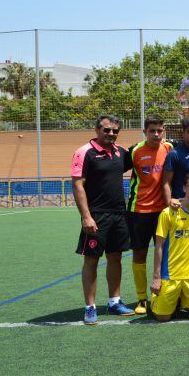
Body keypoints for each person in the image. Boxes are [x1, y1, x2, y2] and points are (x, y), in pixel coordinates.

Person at [72, 114, 136, 324]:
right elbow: (77, 184)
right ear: (97, 129)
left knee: (115, 257)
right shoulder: (84, 152)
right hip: (96, 216)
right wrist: (86, 216)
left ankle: (114, 302)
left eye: (115, 131)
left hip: (119, 214)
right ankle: (90, 308)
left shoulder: (120, 153)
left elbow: (145, 150)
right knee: (91, 260)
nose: (111, 134)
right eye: (106, 130)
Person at [126, 115, 174, 315]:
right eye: (152, 130)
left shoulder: (169, 148)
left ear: (164, 132)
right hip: (138, 211)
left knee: (165, 254)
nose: (156, 134)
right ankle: (142, 299)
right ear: (144, 132)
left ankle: (160, 294)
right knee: (140, 254)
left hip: (163, 211)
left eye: (160, 130)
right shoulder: (135, 151)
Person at [150, 172, 189, 322]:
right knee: (162, 317)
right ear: (184, 188)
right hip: (170, 275)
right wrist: (156, 278)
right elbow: (158, 246)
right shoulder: (168, 213)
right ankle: (160, 298)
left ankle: (182, 298)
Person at [163, 116, 189, 204]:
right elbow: (166, 183)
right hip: (181, 205)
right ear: (183, 133)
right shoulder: (174, 154)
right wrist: (169, 203)